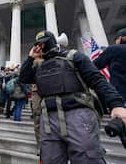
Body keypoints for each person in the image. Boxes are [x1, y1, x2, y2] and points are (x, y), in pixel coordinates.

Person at [19, 30, 126, 164]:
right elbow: (23, 78)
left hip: (78, 115)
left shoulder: (74, 56)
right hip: (48, 120)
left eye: (43, 43)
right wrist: (30, 58)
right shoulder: (38, 66)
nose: (41, 47)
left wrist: (116, 104)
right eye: (38, 44)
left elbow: (97, 79)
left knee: (86, 158)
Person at [94, 28, 126, 107]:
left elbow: (95, 65)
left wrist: (104, 53)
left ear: (120, 38)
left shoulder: (114, 49)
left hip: (122, 93)